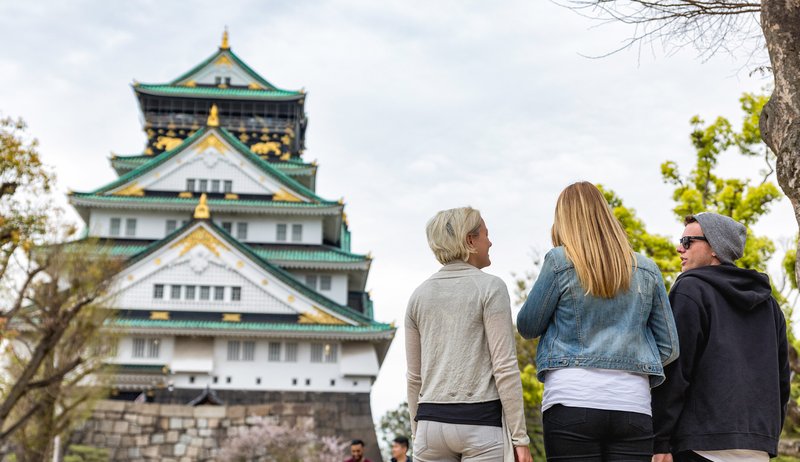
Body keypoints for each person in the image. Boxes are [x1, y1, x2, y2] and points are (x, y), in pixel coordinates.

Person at [516, 181, 680, 461]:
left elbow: (528, 326)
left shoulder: (559, 262)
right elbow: (669, 347)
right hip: (633, 404)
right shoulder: (647, 269)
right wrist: (636, 361)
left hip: (571, 398)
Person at [651, 213, 790, 462]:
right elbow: (782, 382)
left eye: (687, 241)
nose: (679, 248)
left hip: (699, 445)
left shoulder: (690, 289)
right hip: (756, 448)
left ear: (715, 247)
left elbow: (676, 370)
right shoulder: (769, 304)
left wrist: (660, 441)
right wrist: (765, 437)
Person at [406, 206, 533, 462]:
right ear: (470, 240)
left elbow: (413, 378)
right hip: (480, 423)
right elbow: (504, 367)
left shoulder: (418, 296)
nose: (490, 242)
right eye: (486, 234)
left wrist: (417, 433)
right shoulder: (491, 287)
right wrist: (520, 439)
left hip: (430, 425)